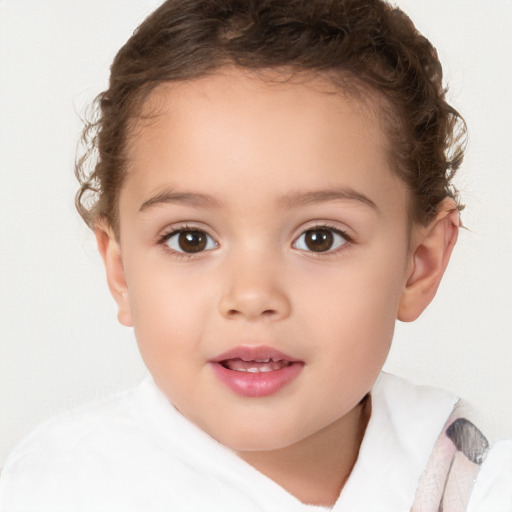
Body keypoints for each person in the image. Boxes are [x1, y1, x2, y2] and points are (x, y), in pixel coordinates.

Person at [0, 0, 510, 510]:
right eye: (190, 239)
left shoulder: (461, 477)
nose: (252, 296)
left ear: (419, 263)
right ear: (120, 270)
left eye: (320, 238)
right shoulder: (63, 486)